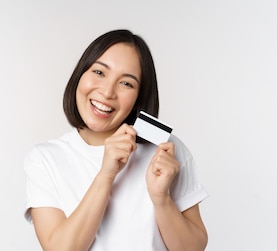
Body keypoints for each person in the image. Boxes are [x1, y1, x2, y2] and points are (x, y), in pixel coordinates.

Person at [23, 29, 208, 251]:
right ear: (80, 75)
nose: (108, 92)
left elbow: (193, 249)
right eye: (99, 72)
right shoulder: (45, 158)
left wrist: (161, 198)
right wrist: (106, 174)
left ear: (139, 95)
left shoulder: (167, 151)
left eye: (126, 83)